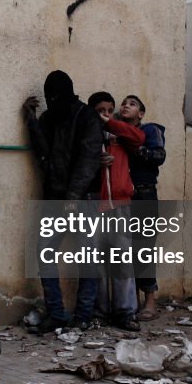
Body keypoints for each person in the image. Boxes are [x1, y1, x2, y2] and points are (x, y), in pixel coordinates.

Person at [23, 71, 104, 334]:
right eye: (50, 97)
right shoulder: (50, 117)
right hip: (57, 197)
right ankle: (56, 314)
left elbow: (88, 160)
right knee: (44, 251)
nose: (52, 100)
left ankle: (83, 315)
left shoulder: (86, 116)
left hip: (83, 198)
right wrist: (32, 121)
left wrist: (71, 198)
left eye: (55, 96)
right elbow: (44, 153)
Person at [87, 91, 145, 331]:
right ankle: (100, 312)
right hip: (95, 203)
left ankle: (125, 312)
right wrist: (95, 161)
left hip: (120, 203)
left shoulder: (120, 130)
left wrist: (110, 123)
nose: (106, 115)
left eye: (110, 111)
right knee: (97, 263)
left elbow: (139, 137)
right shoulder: (89, 133)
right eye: (101, 111)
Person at [119, 94, 166, 321]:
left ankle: (150, 301)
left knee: (143, 249)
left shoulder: (150, 131)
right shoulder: (115, 133)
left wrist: (136, 146)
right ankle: (131, 302)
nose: (126, 106)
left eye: (133, 104)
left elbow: (158, 156)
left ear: (141, 114)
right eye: (124, 103)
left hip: (144, 194)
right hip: (121, 197)